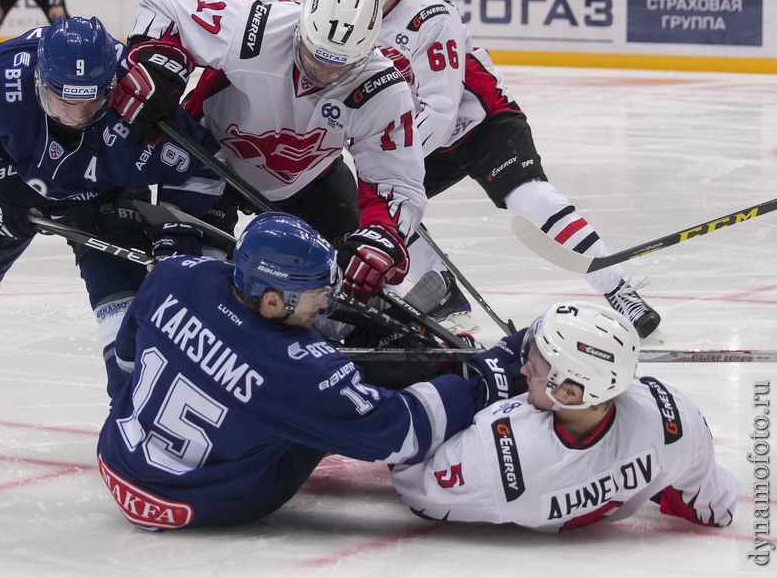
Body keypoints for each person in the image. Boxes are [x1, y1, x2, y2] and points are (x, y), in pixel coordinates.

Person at [0, 16, 223, 463]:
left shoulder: (140, 98)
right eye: (64, 100)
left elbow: (202, 171)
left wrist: (173, 235)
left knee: (127, 311)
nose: (78, 114)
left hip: (104, 194)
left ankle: (136, 422)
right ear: (38, 80)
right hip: (14, 177)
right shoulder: (0, 75)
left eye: (93, 102)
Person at [96, 211, 526, 530]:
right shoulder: (296, 373)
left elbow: (128, 360)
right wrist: (480, 384)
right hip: (207, 500)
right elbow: (401, 433)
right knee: (338, 387)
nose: (323, 302)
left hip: (118, 458)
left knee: (299, 389)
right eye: (313, 294)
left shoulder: (177, 273)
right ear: (270, 299)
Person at [336, 0, 663, 339]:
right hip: (424, 132)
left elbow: (441, 109)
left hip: (483, 124)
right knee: (376, 205)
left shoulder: (430, 16)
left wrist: (390, 162)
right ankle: (441, 292)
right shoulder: (353, 11)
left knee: (531, 198)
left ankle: (618, 289)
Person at [118, 0, 425, 304]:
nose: (321, 75)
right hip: (211, 164)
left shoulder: (381, 88)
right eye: (314, 55)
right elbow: (161, 5)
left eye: (339, 68)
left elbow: (397, 182)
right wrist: (157, 63)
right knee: (195, 284)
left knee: (357, 278)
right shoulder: (256, 26)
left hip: (308, 178)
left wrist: (381, 237)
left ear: (367, 54)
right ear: (301, 27)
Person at [391, 301, 738, 531]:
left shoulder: (501, 450)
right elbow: (713, 509)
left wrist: (465, 386)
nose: (525, 367)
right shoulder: (675, 417)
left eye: (536, 366)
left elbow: (415, 483)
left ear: (570, 392)